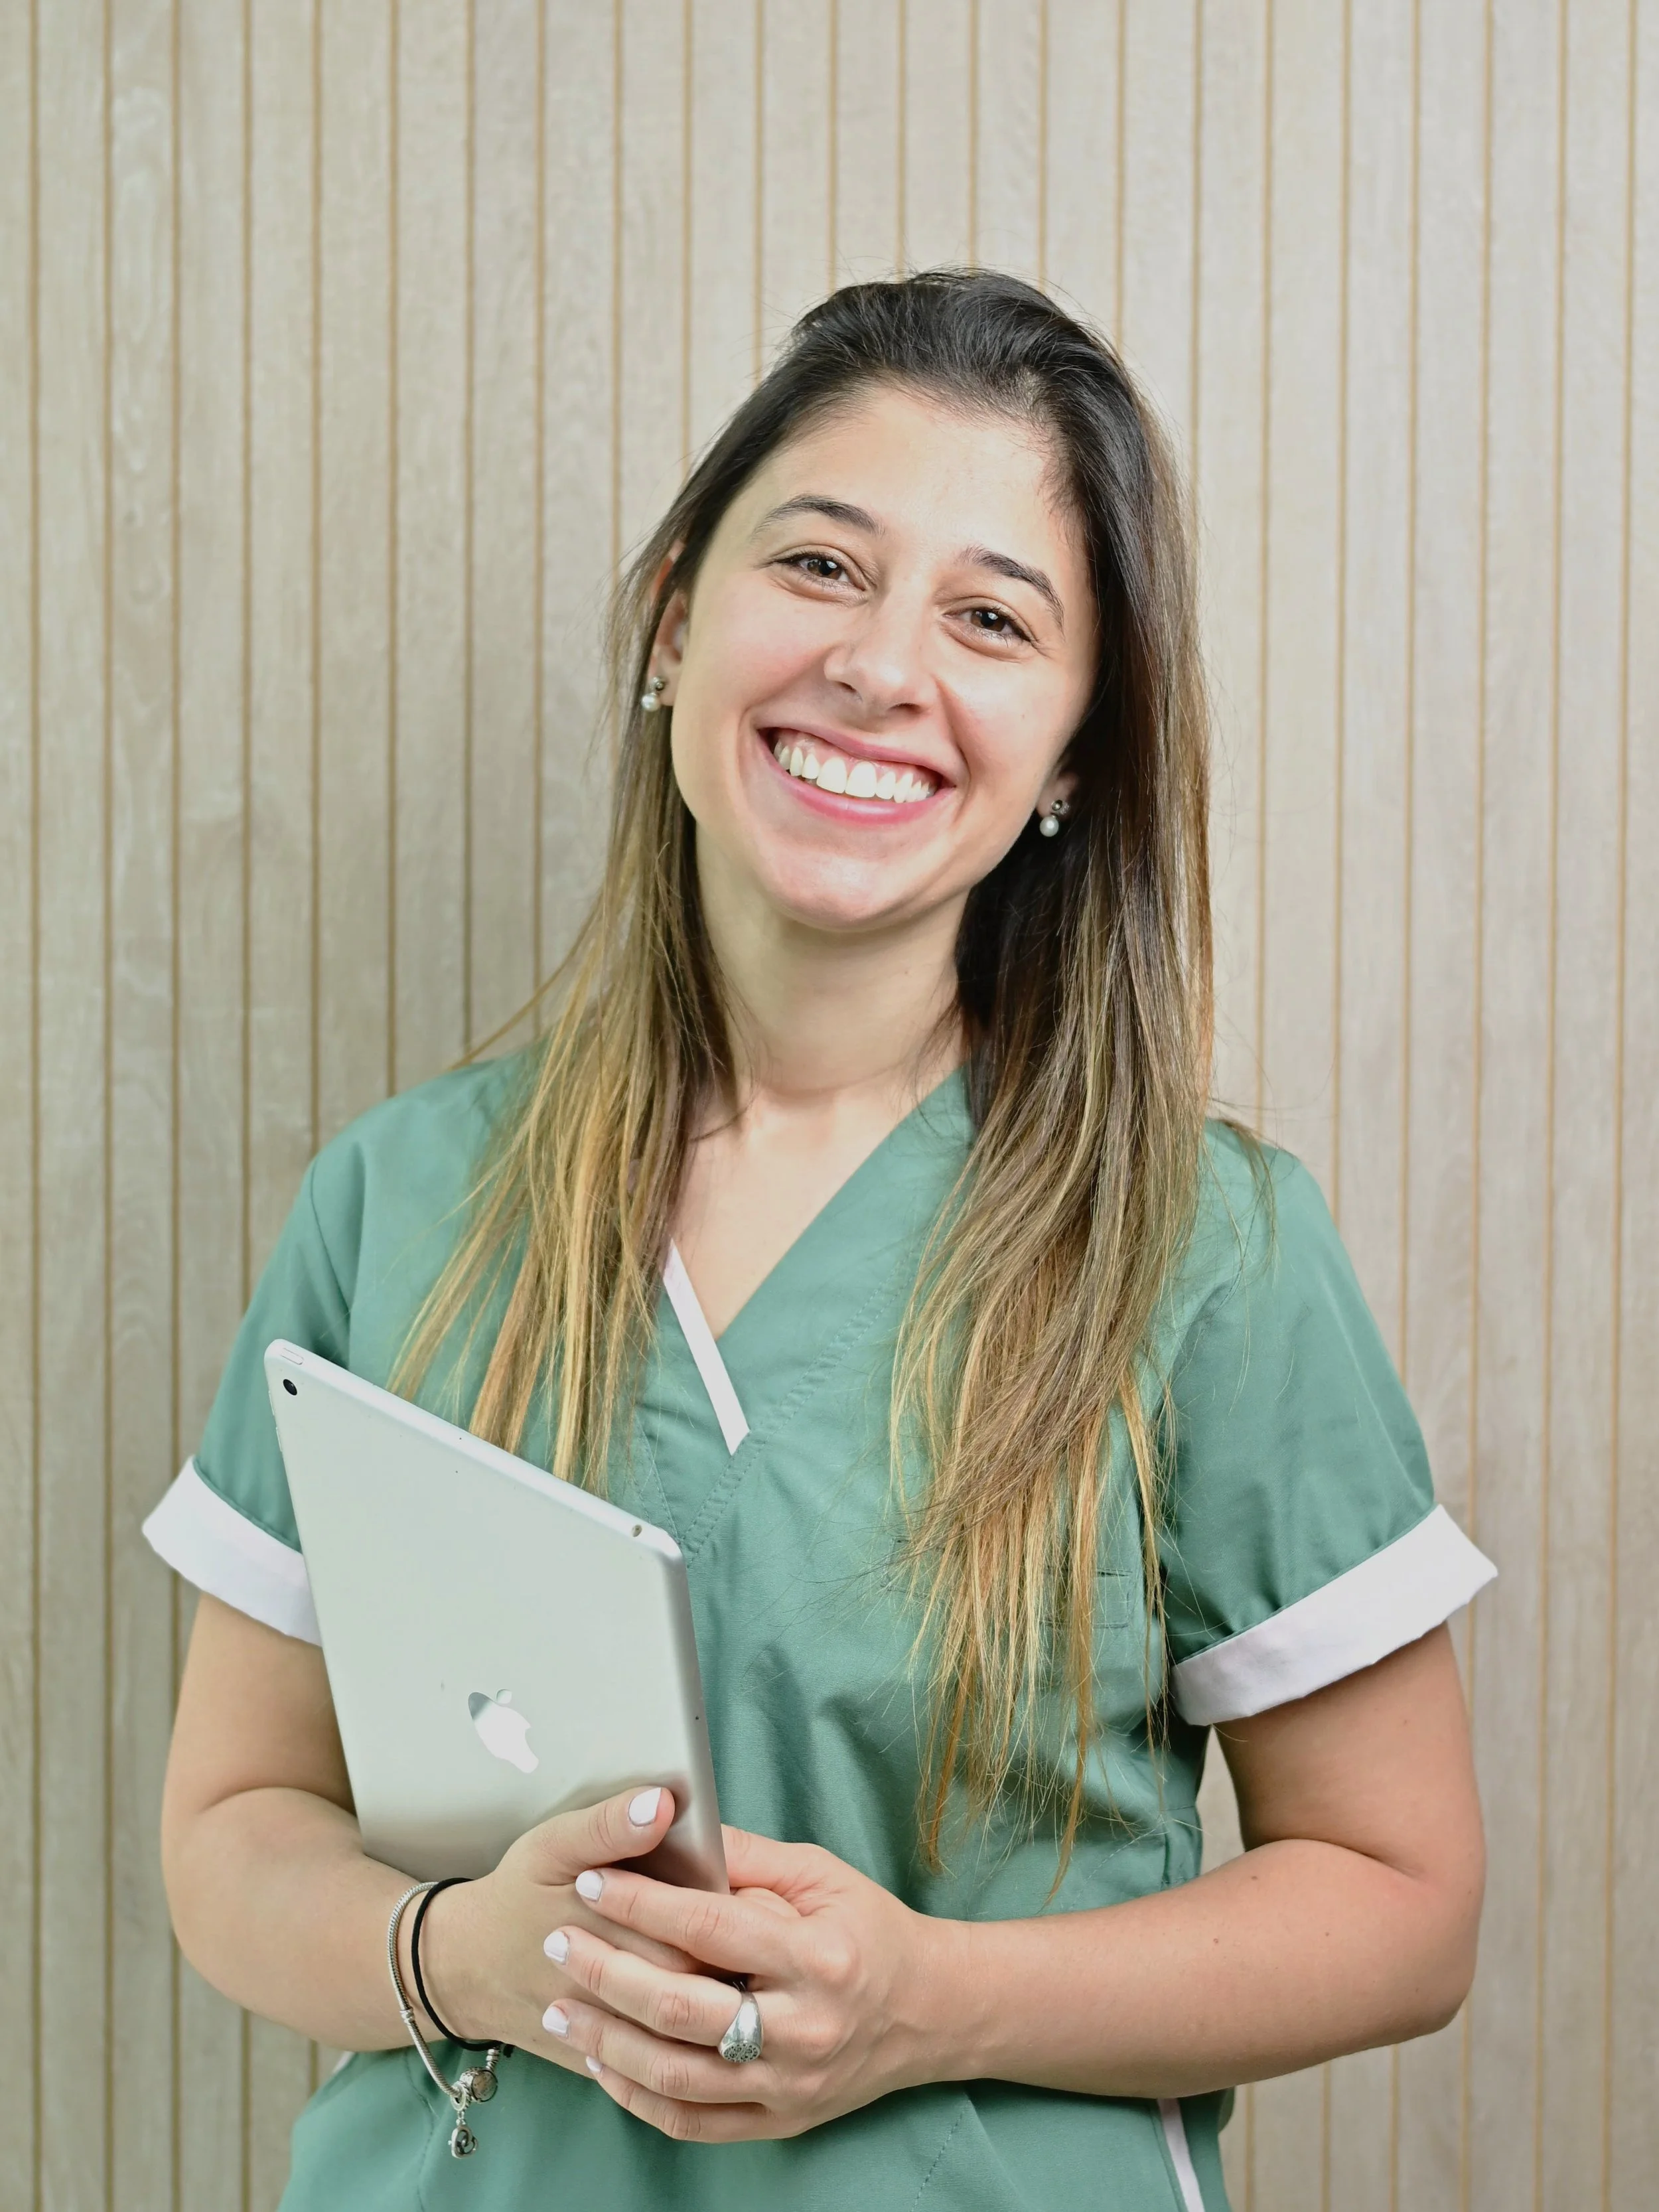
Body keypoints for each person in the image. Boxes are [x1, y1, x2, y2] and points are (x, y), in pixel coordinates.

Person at [145, 269, 1495, 2212]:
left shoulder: (1207, 1252)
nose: (879, 666)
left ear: (1075, 755)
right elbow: (232, 1824)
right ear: (679, 618)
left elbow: (1401, 1899)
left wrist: (932, 2001)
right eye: (821, 565)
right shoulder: (399, 1200)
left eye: (990, 618)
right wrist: (477, 1960)